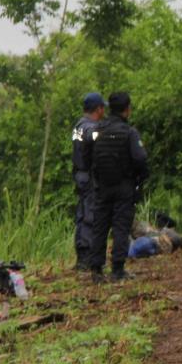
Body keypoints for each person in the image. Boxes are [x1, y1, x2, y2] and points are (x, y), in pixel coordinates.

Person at [84, 92, 148, 283]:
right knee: (121, 227)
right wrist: (140, 179)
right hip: (124, 185)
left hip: (102, 186)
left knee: (100, 226)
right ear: (127, 109)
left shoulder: (97, 130)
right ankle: (117, 270)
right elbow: (141, 158)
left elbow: (87, 153)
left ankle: (96, 270)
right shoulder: (129, 132)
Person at [71, 92, 105, 271]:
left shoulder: (77, 126)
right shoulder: (89, 127)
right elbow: (92, 137)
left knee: (83, 212)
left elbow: (78, 145)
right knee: (89, 214)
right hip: (88, 176)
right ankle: (85, 257)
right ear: (98, 109)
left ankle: (83, 255)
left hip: (80, 174)